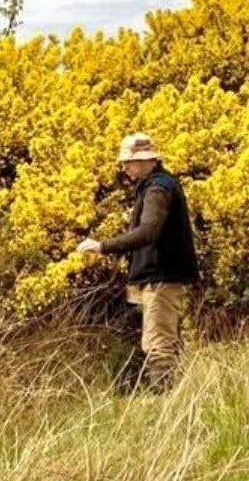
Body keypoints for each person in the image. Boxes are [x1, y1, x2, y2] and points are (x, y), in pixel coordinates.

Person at [76, 133, 200, 389]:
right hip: (160, 277)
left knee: (158, 344)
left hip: (162, 278)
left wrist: (103, 247)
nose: (125, 168)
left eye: (129, 162)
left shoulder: (158, 188)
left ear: (147, 161)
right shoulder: (158, 185)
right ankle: (178, 398)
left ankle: (165, 404)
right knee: (165, 339)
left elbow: (148, 232)